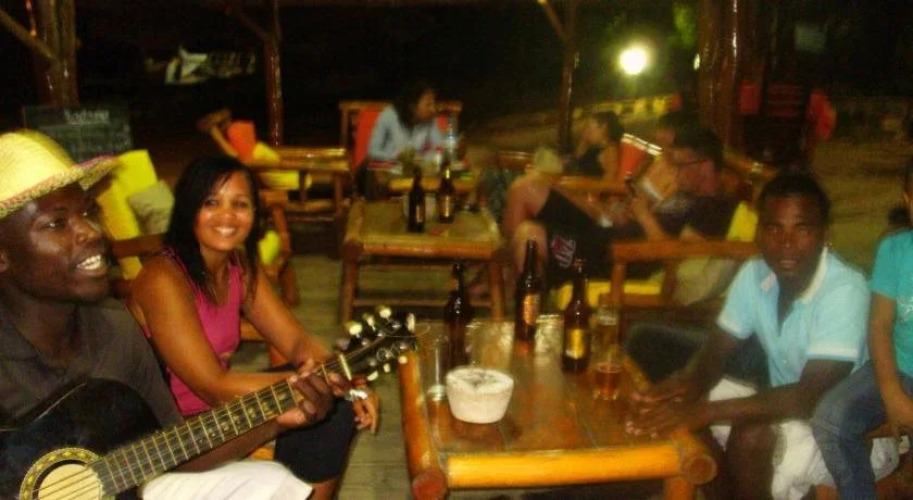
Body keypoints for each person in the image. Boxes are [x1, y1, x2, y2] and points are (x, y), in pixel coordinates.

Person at [0, 130, 330, 498]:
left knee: (272, 483)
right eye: (56, 223)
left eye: (89, 213)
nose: (91, 233)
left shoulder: (115, 330)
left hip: (124, 487)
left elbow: (172, 452)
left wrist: (273, 422)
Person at [627, 173, 894, 499]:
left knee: (748, 434)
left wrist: (703, 411)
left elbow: (809, 396)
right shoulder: (755, 275)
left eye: (802, 229)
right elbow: (715, 352)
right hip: (784, 406)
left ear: (824, 234)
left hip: (848, 436)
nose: (786, 242)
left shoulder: (845, 290)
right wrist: (687, 388)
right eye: (774, 228)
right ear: (759, 232)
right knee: (683, 408)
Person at [132, 155, 378, 500]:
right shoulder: (162, 278)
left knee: (331, 407)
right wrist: (321, 382)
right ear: (189, 208)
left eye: (240, 204)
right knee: (317, 396)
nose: (227, 216)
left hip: (217, 416)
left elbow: (297, 342)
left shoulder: (239, 266)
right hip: (170, 437)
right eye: (211, 203)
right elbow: (214, 386)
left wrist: (346, 379)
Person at [504, 126, 737, 285]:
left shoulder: (716, 207)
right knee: (527, 189)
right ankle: (513, 288)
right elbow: (657, 225)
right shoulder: (685, 195)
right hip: (607, 233)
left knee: (529, 237)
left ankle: (525, 319)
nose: (674, 173)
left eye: (680, 166)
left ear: (705, 166)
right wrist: (631, 214)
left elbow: (677, 257)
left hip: (613, 257)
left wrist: (644, 216)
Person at [811, 159, 913, 498]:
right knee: (830, 419)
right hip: (899, 367)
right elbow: (880, 324)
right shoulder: (895, 251)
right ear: (907, 199)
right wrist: (891, 391)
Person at [367, 79, 441, 164]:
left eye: (433, 104)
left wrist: (423, 158)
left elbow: (439, 148)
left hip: (414, 169)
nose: (433, 110)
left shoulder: (430, 119)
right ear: (412, 106)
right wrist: (395, 157)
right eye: (428, 105)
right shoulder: (389, 115)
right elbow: (372, 151)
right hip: (389, 167)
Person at [567, 111, 623, 179]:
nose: (586, 132)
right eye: (585, 129)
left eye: (589, 129)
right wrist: (583, 142)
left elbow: (609, 180)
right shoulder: (591, 147)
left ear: (603, 128)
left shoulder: (609, 150)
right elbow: (575, 161)